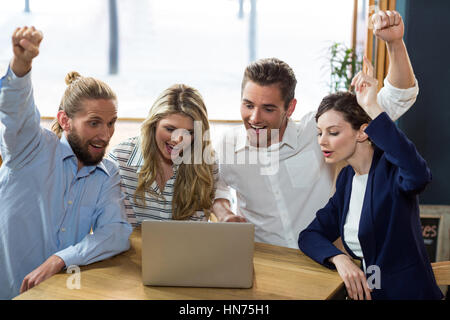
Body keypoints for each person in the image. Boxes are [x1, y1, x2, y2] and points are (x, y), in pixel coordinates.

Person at [211, 10, 420, 248]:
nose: (254, 118)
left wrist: (394, 43)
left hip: (322, 259)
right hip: (263, 260)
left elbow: (398, 97)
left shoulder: (318, 132)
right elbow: (218, 188)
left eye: (268, 109)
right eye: (248, 105)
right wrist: (225, 213)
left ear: (290, 108)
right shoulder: (227, 145)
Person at [0, 26, 132, 299]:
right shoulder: (30, 148)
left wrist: (60, 259)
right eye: (94, 123)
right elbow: (16, 110)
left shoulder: (107, 175)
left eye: (110, 123)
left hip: (58, 294)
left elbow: (116, 232)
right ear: (65, 121)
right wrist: (21, 65)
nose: (105, 135)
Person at [298, 57, 443, 300]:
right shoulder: (347, 179)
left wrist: (372, 106)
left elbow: (419, 175)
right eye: (319, 132)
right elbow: (309, 235)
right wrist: (340, 258)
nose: (322, 140)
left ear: (363, 132)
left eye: (333, 132)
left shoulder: (392, 169)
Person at [108, 84, 216, 226]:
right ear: (154, 124)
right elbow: (113, 227)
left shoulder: (206, 164)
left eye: (189, 132)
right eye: (170, 129)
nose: (178, 140)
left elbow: (196, 233)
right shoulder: (119, 158)